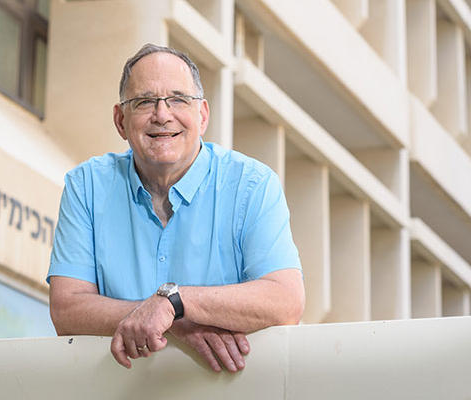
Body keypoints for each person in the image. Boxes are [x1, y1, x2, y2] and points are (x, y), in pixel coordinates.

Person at [46, 43, 305, 373]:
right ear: (120, 121)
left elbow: (285, 300)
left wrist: (175, 304)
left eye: (178, 99)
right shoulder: (87, 186)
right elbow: (66, 309)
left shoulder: (252, 185)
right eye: (144, 102)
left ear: (203, 115)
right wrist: (167, 321)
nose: (162, 115)